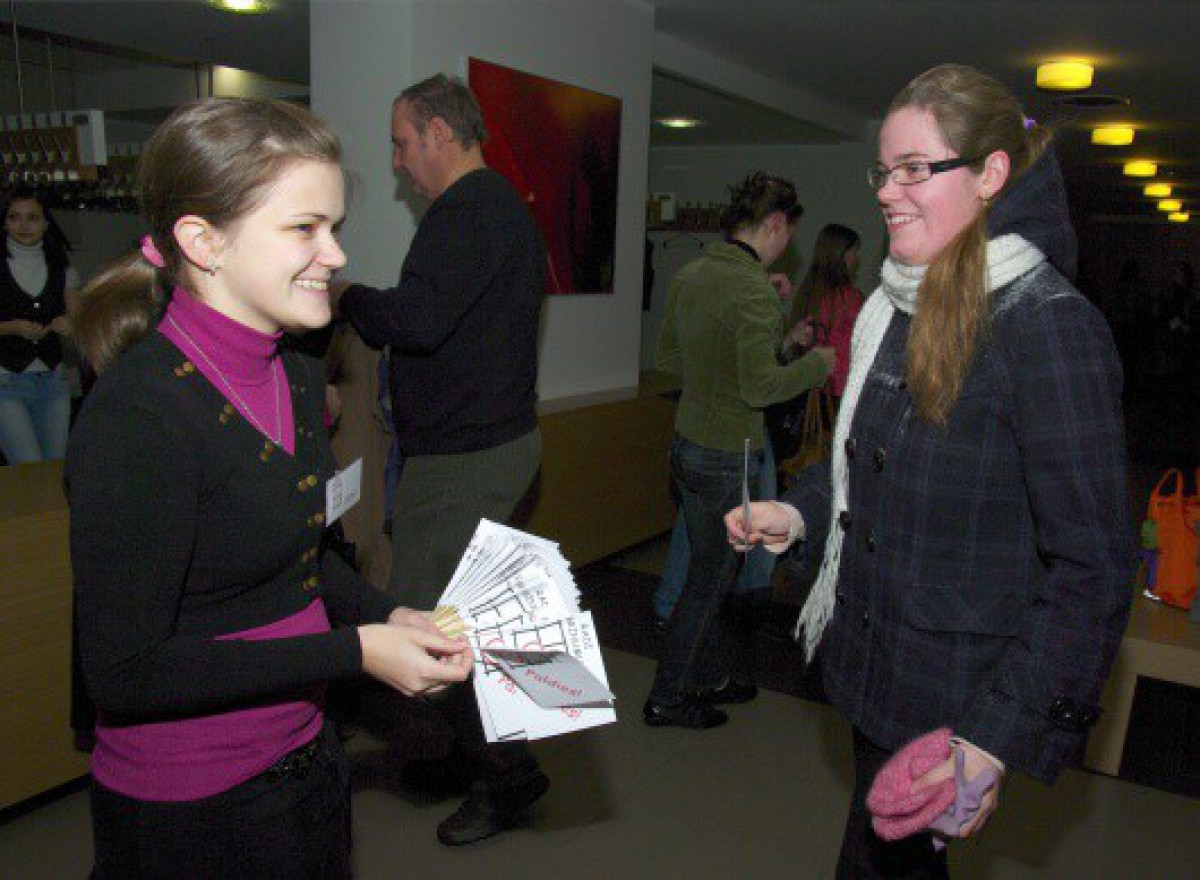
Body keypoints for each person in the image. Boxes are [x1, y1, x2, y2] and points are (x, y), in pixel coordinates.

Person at [727, 65, 1134, 878]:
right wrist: (800, 512)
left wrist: (993, 737)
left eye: (915, 168)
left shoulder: (1047, 326)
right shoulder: (897, 305)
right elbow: (871, 461)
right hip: (875, 670)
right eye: (884, 170)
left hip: (958, 699)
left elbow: (1093, 567)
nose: (888, 191)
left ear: (990, 175)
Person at [67, 97, 473, 879]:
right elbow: (125, 670)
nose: (334, 254)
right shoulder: (139, 415)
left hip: (303, 767)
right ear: (202, 242)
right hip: (191, 813)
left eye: (335, 227)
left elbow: (297, 556)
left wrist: (387, 614)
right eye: (304, 228)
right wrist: (356, 650)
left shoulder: (294, 371)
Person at [332, 73, 548, 846]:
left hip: (465, 458)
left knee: (428, 626)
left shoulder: (466, 211)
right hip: (485, 446)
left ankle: (509, 774)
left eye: (401, 143)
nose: (397, 162)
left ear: (439, 134)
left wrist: (348, 297)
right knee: (466, 620)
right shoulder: (498, 207)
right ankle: (470, 756)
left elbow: (417, 320)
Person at [644, 171, 833, 730]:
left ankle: (707, 676)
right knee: (709, 584)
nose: (787, 246)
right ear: (774, 223)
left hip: (686, 445)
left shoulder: (693, 273)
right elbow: (760, 388)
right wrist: (815, 365)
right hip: (726, 455)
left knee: (707, 575)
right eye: (788, 234)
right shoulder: (752, 290)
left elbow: (672, 361)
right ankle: (667, 697)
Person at [0, 188, 79, 464]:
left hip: (53, 381)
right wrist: (11, 328)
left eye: (32, 218)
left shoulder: (63, 269)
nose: (24, 225)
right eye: (14, 217)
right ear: (4, 222)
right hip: (6, 381)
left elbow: (79, 318)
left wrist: (69, 324)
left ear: (46, 223)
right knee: (28, 466)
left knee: (56, 469)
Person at [782, 222, 865, 401]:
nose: (857, 258)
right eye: (855, 251)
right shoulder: (850, 297)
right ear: (843, 254)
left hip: (804, 384)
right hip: (837, 389)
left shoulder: (807, 291)